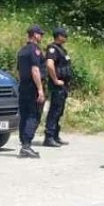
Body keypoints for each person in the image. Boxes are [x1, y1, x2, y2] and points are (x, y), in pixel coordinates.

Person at [15, 25, 45, 158]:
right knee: (34, 115)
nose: (41, 37)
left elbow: (19, 71)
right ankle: (27, 145)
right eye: (40, 34)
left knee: (24, 115)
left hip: (23, 86)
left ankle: (24, 144)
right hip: (33, 87)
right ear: (34, 35)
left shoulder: (22, 51)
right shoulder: (35, 50)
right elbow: (35, 70)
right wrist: (40, 89)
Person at [43, 28, 72, 148]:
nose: (66, 37)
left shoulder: (62, 50)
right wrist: (55, 80)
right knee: (54, 111)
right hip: (57, 85)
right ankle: (49, 137)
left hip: (63, 85)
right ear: (58, 36)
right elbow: (49, 65)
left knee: (59, 111)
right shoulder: (52, 49)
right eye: (63, 35)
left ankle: (55, 135)